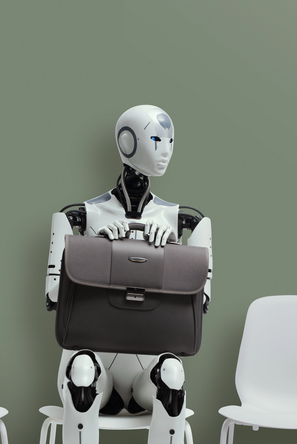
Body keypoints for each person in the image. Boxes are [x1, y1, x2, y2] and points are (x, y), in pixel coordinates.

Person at [44, 105, 214, 444]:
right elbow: (53, 296)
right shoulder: (78, 217)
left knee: (172, 373)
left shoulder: (187, 222)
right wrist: (97, 249)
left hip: (148, 371)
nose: (165, 149)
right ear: (127, 141)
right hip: (92, 364)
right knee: (80, 371)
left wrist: (168, 254)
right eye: (155, 138)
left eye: (170, 140)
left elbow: (201, 303)